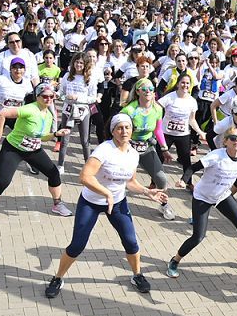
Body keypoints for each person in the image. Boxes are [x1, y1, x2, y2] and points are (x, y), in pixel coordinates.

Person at [44, 114, 169, 298]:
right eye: (119, 128)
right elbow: (84, 177)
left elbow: (130, 182)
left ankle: (137, 275)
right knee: (77, 245)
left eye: (127, 127)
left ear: (132, 130)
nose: (124, 131)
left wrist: (146, 191)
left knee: (131, 241)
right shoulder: (103, 150)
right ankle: (57, 277)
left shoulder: (133, 154)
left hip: (117, 203)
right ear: (112, 131)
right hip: (91, 203)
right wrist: (106, 193)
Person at [165, 126, 237, 278]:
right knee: (198, 237)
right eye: (233, 138)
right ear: (225, 141)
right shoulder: (216, 156)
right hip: (202, 197)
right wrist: (183, 180)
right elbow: (192, 168)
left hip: (222, 196)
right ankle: (174, 261)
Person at [0, 83, 74, 216]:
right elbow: (1, 113)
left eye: (51, 97)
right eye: (45, 96)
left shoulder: (49, 115)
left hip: (33, 150)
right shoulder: (29, 109)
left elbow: (43, 138)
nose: (48, 99)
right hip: (13, 149)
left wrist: (56, 134)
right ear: (37, 96)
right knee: (2, 181)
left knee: (53, 173)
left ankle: (58, 204)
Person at [120, 78, 175, 220]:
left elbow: (158, 130)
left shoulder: (157, 109)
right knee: (123, 179)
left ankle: (164, 205)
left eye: (151, 89)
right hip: (128, 149)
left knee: (161, 179)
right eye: (145, 89)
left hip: (147, 148)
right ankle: (112, 204)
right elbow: (120, 132)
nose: (149, 92)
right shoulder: (129, 110)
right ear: (138, 92)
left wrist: (164, 149)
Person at [0, 57, 34, 173]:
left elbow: (30, 101)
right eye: (15, 67)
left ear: (24, 70)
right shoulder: (1, 79)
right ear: (10, 69)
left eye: (20, 68)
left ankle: (32, 162)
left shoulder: (27, 85)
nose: (18, 70)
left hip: (13, 115)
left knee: (27, 138)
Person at [158, 73, 204, 188]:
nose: (185, 85)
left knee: (186, 160)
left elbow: (192, 120)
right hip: (166, 133)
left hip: (183, 134)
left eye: (187, 83)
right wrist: (157, 123)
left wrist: (200, 132)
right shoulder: (170, 97)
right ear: (178, 84)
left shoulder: (192, 101)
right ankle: (154, 182)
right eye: (183, 82)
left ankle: (188, 183)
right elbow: (156, 107)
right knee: (159, 158)